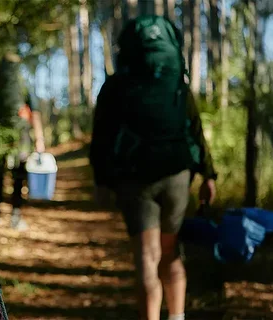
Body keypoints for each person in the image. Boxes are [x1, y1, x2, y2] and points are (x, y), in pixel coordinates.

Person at [89, 16, 217, 320]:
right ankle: (177, 316)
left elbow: (102, 136)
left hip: (135, 178)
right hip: (177, 174)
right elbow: (194, 127)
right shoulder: (176, 82)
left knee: (147, 258)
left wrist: (101, 181)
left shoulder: (116, 84)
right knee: (170, 253)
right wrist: (208, 175)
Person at [0, 52, 45, 230]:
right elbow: (35, 112)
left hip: (0, 132)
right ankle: (16, 216)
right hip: (21, 133)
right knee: (19, 173)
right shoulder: (22, 81)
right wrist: (39, 138)